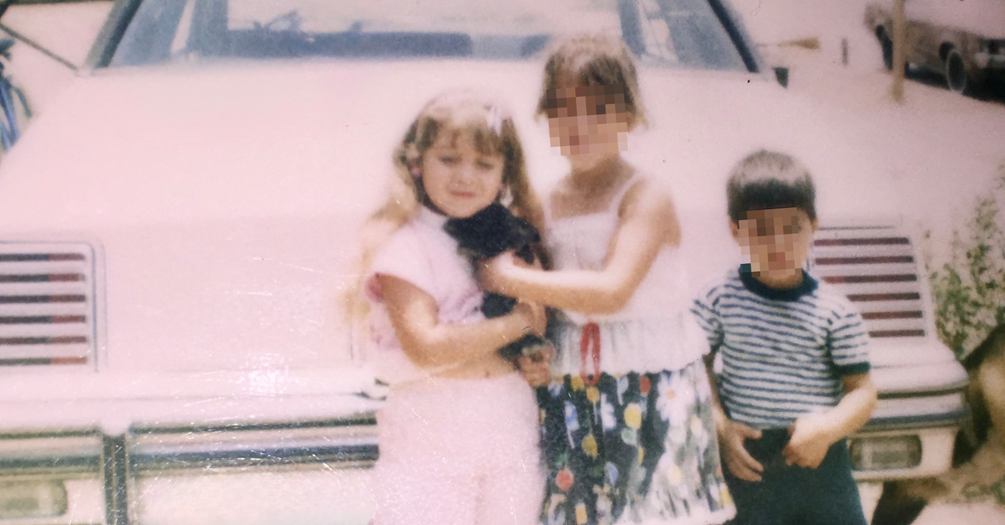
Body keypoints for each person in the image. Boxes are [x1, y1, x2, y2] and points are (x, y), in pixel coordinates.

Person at [481, 34, 735, 525]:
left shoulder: (646, 195)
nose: (579, 125)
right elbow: (544, 308)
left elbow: (612, 292)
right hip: (573, 389)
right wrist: (532, 352)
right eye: (563, 110)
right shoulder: (541, 204)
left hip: (652, 387)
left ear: (631, 116)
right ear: (544, 117)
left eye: (598, 110)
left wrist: (506, 277)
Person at [351, 91, 547, 525]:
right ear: (417, 162)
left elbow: (539, 325)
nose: (466, 176)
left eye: (483, 164)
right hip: (431, 435)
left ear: (504, 176)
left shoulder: (511, 238)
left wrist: (533, 355)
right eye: (449, 159)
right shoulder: (405, 244)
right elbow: (427, 347)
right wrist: (518, 323)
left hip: (507, 426)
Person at [690, 150, 878, 525]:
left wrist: (828, 429)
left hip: (819, 462)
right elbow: (694, 368)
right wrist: (719, 425)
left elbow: (863, 391)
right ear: (734, 230)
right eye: (760, 230)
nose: (777, 243)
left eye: (791, 227)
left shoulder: (834, 310)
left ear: (814, 226)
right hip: (748, 462)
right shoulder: (718, 297)